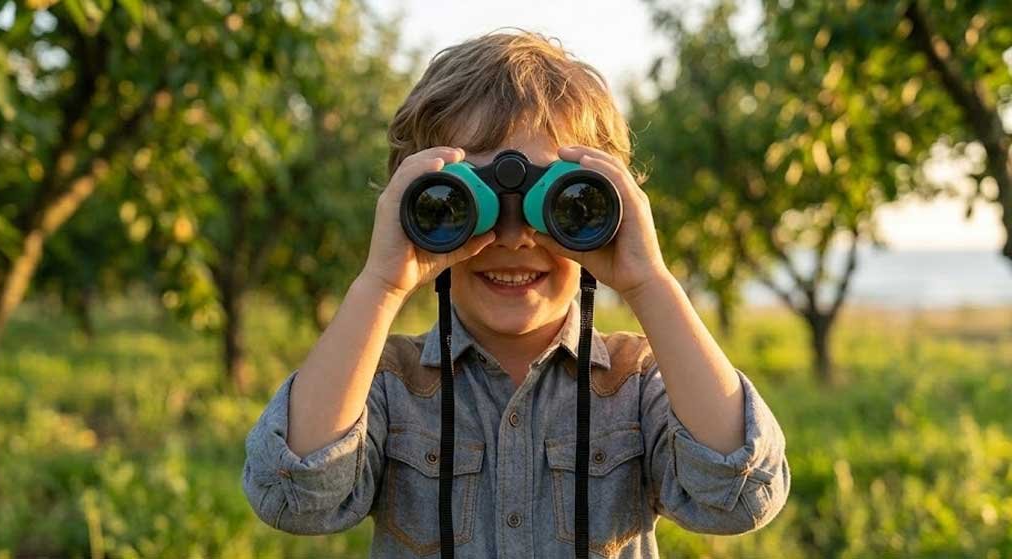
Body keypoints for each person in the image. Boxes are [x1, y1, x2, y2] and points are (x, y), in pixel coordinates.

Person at [242, 28, 789, 558]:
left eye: (563, 203)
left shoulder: (637, 379)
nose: (514, 237)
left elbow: (737, 495)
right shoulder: (387, 382)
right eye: (459, 202)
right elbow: (296, 496)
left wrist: (650, 282)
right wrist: (381, 285)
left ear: (612, 209)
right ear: (411, 210)